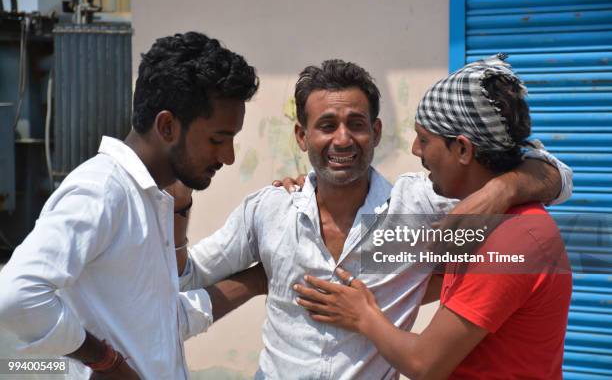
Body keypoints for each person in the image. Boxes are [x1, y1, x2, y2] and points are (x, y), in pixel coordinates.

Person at [176, 58, 573, 379]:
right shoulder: (268, 209)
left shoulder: (423, 207)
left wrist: (500, 189)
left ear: (377, 132)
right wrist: (178, 206)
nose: (343, 139)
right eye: (327, 126)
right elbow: (187, 275)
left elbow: (558, 176)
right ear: (301, 136)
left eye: (357, 124)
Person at [0, 32, 265, 379]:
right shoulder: (102, 191)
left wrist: (259, 279)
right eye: (218, 139)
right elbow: (16, 296)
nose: (228, 157)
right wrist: (105, 361)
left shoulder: (150, 197)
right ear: (167, 126)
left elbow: (158, 322)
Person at [293, 54, 573, 379]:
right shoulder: (482, 218)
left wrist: (362, 314)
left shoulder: (512, 239)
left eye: (424, 139)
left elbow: (424, 365)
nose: (415, 149)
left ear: (464, 150)